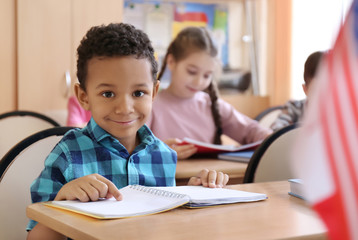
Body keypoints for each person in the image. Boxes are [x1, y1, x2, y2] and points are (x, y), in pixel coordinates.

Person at [27, 23, 229, 240]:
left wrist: (192, 195)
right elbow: (35, 238)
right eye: (107, 94)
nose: (124, 108)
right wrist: (61, 202)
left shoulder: (163, 155)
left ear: (154, 92)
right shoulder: (67, 155)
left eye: (139, 93)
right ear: (84, 96)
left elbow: (165, 229)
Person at [146, 27, 272, 160]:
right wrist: (157, 152)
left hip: (209, 179)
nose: (199, 81)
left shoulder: (212, 104)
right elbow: (132, 151)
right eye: (192, 72)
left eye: (207, 75)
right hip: (169, 179)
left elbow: (250, 130)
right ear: (171, 62)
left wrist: (273, 138)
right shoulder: (150, 106)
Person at [270, 51, 324, 131]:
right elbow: (276, 131)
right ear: (305, 89)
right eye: (316, 90)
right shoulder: (294, 108)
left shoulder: (341, 111)